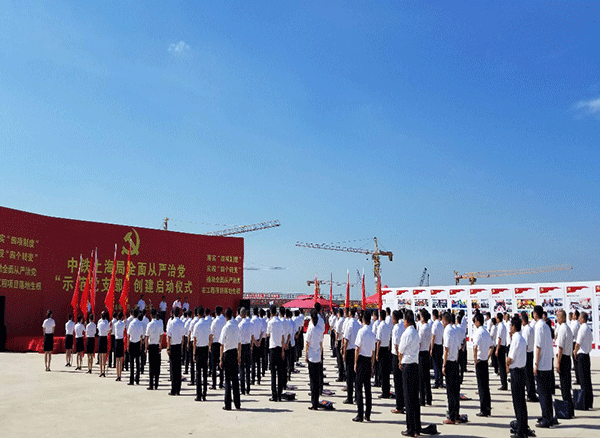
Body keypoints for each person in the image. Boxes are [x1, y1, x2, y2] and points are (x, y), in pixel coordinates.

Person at [533, 305, 556, 428]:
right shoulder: (546, 326)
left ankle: (546, 418)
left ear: (535, 314)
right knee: (547, 393)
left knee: (542, 393)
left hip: (541, 364)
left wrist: (535, 364)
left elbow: (538, 347)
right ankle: (548, 415)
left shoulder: (538, 326)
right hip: (547, 363)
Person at [398, 309, 421, 437]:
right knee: (415, 398)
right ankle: (416, 427)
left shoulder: (406, 333)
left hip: (407, 365)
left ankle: (410, 428)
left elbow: (400, 350)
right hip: (415, 365)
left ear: (406, 320)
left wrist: (399, 362)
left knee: (408, 398)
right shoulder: (415, 332)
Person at [507, 314, 530, 438]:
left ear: (513, 326)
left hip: (516, 372)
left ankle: (521, 431)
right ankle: (523, 427)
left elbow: (510, 358)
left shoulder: (515, 339)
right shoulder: (521, 338)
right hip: (521, 370)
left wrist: (506, 363)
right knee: (522, 402)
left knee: (518, 403)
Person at [353, 311, 376, 422]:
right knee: (367, 389)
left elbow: (357, 348)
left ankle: (360, 414)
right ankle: (368, 413)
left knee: (358, 388)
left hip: (361, 359)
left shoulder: (361, 332)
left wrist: (355, 362)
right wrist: (372, 365)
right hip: (368, 360)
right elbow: (373, 351)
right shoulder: (372, 333)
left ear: (362, 320)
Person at [220, 308, 241, 410]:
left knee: (227, 380)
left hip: (227, 354)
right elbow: (239, 343)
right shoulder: (236, 327)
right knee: (235, 379)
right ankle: (237, 403)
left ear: (225, 317)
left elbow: (222, 345)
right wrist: (239, 356)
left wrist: (220, 359)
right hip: (234, 353)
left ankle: (228, 404)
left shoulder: (225, 328)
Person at [442, 311, 461, 424]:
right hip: (455, 362)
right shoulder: (454, 330)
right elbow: (458, 347)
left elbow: (446, 349)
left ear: (444, 321)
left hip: (449, 362)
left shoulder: (447, 331)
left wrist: (444, 364)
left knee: (450, 391)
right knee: (455, 390)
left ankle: (452, 416)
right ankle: (456, 414)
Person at [472, 312, 492, 417]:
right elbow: (492, 346)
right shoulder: (486, 332)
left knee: (481, 387)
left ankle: (483, 409)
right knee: (486, 386)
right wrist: (487, 357)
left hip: (480, 361)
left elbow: (475, 347)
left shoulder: (478, 332)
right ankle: (488, 408)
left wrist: (475, 359)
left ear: (478, 321)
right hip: (484, 361)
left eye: (475, 321)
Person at [555, 309, 574, 417]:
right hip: (568, 358)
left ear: (562, 317)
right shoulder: (568, 328)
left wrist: (558, 362)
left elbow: (560, 347)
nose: (557, 318)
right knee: (567, 384)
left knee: (564, 386)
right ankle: (570, 409)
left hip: (564, 358)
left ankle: (567, 411)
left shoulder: (562, 328)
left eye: (558, 316)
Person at [574, 311, 593, 410]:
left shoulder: (582, 328)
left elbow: (578, 343)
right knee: (587, 380)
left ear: (583, 319)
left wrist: (575, 352)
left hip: (582, 355)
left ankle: (584, 402)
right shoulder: (588, 328)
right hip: (587, 355)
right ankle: (589, 402)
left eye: (580, 318)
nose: (578, 319)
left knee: (583, 380)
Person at [305, 309, 324, 410]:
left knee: (312, 381)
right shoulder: (320, 329)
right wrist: (321, 355)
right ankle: (316, 400)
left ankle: (314, 403)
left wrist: (305, 355)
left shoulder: (310, 329)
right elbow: (321, 344)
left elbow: (307, 343)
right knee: (317, 380)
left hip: (312, 356)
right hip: (317, 356)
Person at [267, 305, 286, 401]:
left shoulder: (270, 322)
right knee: (280, 372)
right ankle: (279, 394)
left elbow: (268, 334)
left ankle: (274, 394)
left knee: (273, 373)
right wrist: (283, 350)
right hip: (279, 348)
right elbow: (282, 337)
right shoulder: (280, 322)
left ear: (271, 313)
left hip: (272, 349)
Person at [343, 307, 360, 405]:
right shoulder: (358, 324)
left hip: (350, 350)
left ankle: (349, 397)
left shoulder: (349, 323)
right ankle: (357, 397)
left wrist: (344, 352)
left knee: (349, 375)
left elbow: (346, 339)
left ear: (350, 313)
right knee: (356, 375)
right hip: (357, 350)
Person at [167, 307, 186, 395]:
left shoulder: (171, 323)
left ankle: (173, 389)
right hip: (178, 346)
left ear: (173, 313)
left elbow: (169, 336)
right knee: (178, 368)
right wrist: (181, 346)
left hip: (173, 346)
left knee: (173, 368)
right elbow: (182, 336)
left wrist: (168, 348)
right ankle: (178, 389)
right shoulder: (182, 323)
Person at [193, 307, 210, 401]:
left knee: (198, 373)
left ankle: (199, 395)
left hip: (199, 349)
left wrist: (194, 353)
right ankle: (205, 393)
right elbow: (211, 336)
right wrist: (209, 345)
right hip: (205, 348)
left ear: (198, 314)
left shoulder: (197, 325)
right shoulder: (208, 324)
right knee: (205, 372)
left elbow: (194, 340)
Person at [520, 312, 538, 402]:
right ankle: (531, 393)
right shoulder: (530, 328)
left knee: (528, 376)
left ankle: (530, 394)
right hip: (531, 353)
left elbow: (525, 344)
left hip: (527, 353)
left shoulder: (526, 330)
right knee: (529, 375)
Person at [391, 309, 405, 414]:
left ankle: (399, 406)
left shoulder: (396, 327)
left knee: (397, 382)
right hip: (403, 355)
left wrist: (399, 360)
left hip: (397, 356)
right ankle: (403, 403)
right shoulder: (403, 326)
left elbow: (396, 345)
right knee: (402, 381)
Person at [376, 309, 393, 399]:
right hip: (387, 348)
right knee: (386, 372)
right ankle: (387, 389)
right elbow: (389, 339)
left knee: (382, 372)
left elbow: (378, 341)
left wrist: (377, 353)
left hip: (382, 349)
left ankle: (384, 392)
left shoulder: (380, 326)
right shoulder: (387, 326)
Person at [145, 308, 163, 390]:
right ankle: (156, 384)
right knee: (157, 365)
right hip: (157, 346)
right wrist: (160, 343)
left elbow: (146, 337)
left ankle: (151, 384)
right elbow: (161, 335)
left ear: (151, 315)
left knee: (151, 365)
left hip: (151, 346)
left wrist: (146, 348)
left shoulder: (149, 324)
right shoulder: (160, 324)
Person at [418, 309, 432, 406]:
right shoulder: (429, 327)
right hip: (426, 351)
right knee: (427, 377)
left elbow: (419, 342)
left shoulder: (422, 329)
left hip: (422, 353)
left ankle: (422, 399)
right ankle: (429, 398)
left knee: (421, 378)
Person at [209, 306, 226, 390]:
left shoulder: (214, 321)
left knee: (214, 364)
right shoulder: (225, 320)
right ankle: (221, 383)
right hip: (222, 344)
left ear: (216, 312)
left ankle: (214, 384)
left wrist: (209, 345)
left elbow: (211, 334)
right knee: (221, 364)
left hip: (215, 344)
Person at [127, 311, 144, 385]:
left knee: (131, 363)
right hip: (138, 343)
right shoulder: (140, 323)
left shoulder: (131, 323)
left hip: (132, 343)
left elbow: (128, 335)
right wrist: (140, 345)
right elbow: (141, 335)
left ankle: (131, 380)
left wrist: (127, 345)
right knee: (137, 362)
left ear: (133, 315)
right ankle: (137, 379)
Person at [238, 308, 252, 395]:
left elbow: (238, 340)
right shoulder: (250, 323)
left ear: (241, 315)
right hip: (248, 345)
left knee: (241, 368)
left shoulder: (240, 325)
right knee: (247, 368)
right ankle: (248, 388)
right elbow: (252, 336)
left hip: (242, 346)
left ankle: (242, 389)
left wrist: (238, 352)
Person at [430, 309, 444, 389]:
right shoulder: (441, 324)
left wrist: (431, 348)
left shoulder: (434, 324)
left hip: (435, 346)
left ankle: (436, 382)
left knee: (435, 365)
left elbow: (433, 337)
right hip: (440, 345)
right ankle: (440, 381)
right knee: (439, 364)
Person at [495, 312, 509, 390]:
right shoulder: (503, 326)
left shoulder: (500, 326)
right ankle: (504, 383)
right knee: (502, 366)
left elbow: (499, 338)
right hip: (503, 346)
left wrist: (497, 349)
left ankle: (504, 384)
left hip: (500, 347)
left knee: (501, 367)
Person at [251, 307, 263, 385]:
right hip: (258, 341)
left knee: (253, 362)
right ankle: (258, 378)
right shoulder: (260, 320)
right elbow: (262, 332)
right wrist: (259, 341)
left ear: (253, 312)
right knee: (258, 362)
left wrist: (254, 342)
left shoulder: (251, 321)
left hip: (253, 342)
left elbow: (251, 333)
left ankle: (253, 379)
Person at [97, 311, 111, 377]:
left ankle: (101, 371)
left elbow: (98, 329)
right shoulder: (106, 322)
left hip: (100, 338)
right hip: (105, 338)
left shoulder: (99, 322)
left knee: (100, 355)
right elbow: (109, 330)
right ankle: (104, 371)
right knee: (104, 355)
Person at [113, 312, 125, 381]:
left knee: (117, 359)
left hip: (117, 341)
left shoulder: (115, 324)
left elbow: (114, 332)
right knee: (120, 359)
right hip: (121, 341)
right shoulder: (123, 324)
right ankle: (120, 374)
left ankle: (117, 374)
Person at [335, 308, 346, 382]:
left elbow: (337, 333)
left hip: (339, 340)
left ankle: (341, 375)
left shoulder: (339, 321)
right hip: (344, 341)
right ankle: (344, 374)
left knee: (339, 359)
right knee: (343, 359)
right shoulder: (345, 320)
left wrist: (336, 341)